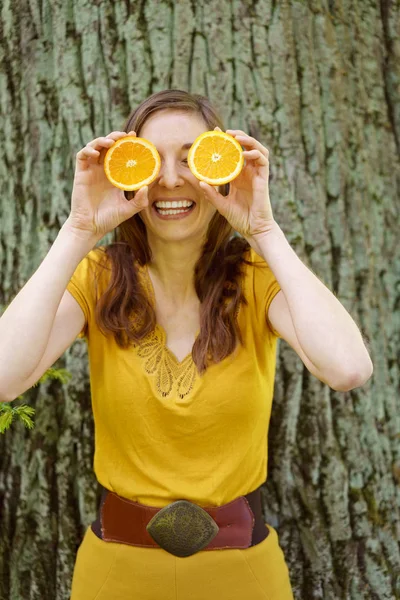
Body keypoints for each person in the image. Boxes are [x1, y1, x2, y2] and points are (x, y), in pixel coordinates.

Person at [0, 89, 373, 599]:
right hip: (116, 573)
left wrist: (263, 229)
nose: (171, 180)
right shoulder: (99, 278)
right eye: (152, 160)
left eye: (190, 158)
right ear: (126, 169)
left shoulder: (255, 279)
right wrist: (78, 229)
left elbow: (349, 368)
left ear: (220, 168)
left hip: (244, 573)